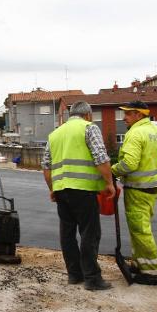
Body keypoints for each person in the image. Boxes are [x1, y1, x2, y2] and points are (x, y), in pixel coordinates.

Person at [42, 101, 115, 291]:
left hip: (61, 190)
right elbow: (100, 157)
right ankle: (92, 278)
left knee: (67, 234)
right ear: (88, 115)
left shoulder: (55, 133)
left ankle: (74, 275)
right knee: (89, 233)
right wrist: (109, 183)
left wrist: (52, 188)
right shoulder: (89, 128)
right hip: (83, 190)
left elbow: (46, 166)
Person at [112, 100, 157, 286]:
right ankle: (140, 263)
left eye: (128, 113)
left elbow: (129, 164)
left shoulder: (135, 133)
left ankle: (154, 272)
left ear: (139, 115)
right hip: (152, 188)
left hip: (138, 189)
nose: (124, 117)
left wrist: (112, 170)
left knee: (140, 230)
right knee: (140, 227)